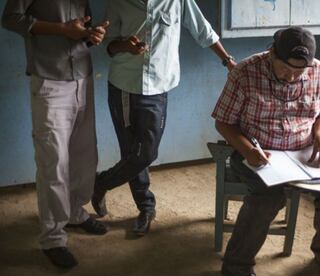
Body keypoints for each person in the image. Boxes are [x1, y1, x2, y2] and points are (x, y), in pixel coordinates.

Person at [211, 26, 320, 276]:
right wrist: (246, 150)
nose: (291, 77)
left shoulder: (319, 71)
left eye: (299, 72)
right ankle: (236, 267)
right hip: (257, 153)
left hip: (303, 154)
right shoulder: (245, 72)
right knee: (268, 197)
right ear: (271, 53)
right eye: (286, 69)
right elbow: (223, 121)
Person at [91, 0, 237, 236]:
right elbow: (108, 46)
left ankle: (100, 184)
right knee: (132, 153)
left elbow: (203, 30)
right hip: (124, 86)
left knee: (145, 153)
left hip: (158, 86)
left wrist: (227, 60)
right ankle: (146, 207)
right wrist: (124, 46)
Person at [2, 0, 109, 269]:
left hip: (83, 77)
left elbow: (80, 28)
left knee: (85, 156)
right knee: (54, 163)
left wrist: (91, 35)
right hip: (50, 79)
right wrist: (61, 29)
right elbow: (11, 18)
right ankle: (52, 238)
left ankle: (74, 212)